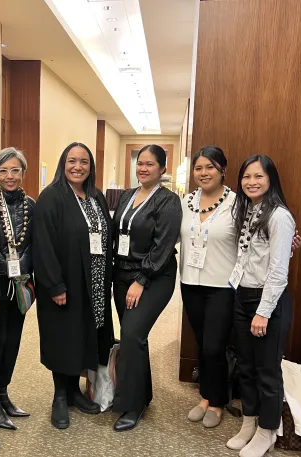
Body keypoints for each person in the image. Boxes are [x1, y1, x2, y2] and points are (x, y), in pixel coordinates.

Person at [33, 142, 114, 430]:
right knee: (62, 337)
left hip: (93, 281)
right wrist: (55, 285)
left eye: (83, 162)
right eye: (71, 161)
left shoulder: (96, 197)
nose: (77, 166)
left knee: (82, 335)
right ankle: (59, 396)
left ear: (91, 167)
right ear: (62, 164)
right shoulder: (51, 197)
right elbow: (43, 245)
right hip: (64, 283)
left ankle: (74, 392)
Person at [226, 155, 295, 457]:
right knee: (247, 367)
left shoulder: (279, 216)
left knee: (268, 371)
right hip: (242, 295)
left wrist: (263, 311)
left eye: (259, 176)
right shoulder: (247, 210)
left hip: (268, 301)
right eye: (246, 177)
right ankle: (249, 422)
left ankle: (267, 431)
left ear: (271, 180)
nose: (251, 182)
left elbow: (279, 272)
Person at [112, 144, 182, 432]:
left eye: (150, 164)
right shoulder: (128, 195)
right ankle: (143, 395)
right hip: (122, 274)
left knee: (131, 334)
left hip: (154, 277)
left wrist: (141, 280)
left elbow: (164, 245)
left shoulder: (168, 201)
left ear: (162, 169)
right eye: (140, 163)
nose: (143, 168)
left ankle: (131, 406)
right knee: (133, 339)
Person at [180, 147, 236, 428]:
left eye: (210, 167)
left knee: (215, 347)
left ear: (223, 170)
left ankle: (217, 402)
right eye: (199, 168)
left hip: (222, 286)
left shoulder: (237, 203)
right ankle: (204, 397)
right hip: (190, 283)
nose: (204, 173)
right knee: (202, 344)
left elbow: (257, 236)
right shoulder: (186, 201)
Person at [0, 147, 35, 430]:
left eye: (15, 170)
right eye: (4, 170)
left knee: (12, 343)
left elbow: (35, 243)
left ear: (23, 172)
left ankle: (3, 394)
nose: (10, 176)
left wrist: (26, 269)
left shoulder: (31, 205)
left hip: (21, 284)